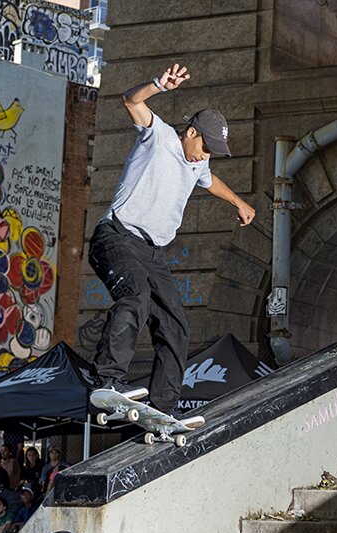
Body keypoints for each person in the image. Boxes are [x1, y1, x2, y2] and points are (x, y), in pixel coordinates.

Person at [88, 63, 256, 417]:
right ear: (191, 132)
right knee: (136, 296)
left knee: (175, 325)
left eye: (211, 152)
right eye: (204, 146)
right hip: (116, 238)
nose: (204, 155)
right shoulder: (159, 136)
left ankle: (162, 407)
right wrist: (157, 85)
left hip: (151, 252)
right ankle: (107, 381)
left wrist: (239, 202)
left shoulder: (198, 164)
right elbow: (131, 102)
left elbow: (210, 181)